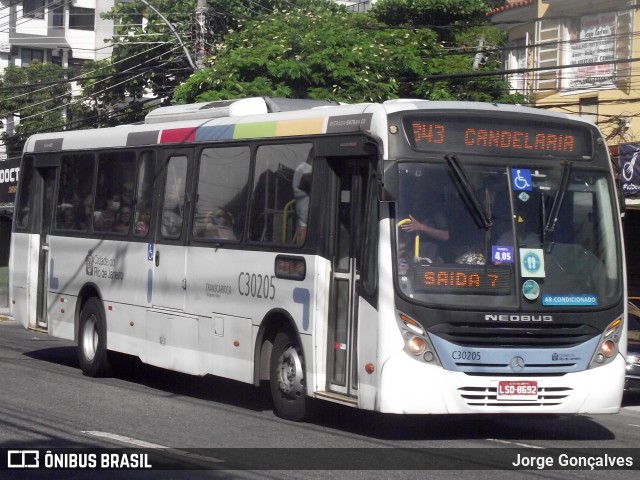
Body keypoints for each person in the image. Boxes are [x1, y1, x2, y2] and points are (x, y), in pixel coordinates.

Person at [292, 151, 313, 245]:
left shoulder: (307, 168)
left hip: (307, 220)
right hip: (304, 221)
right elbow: (308, 182)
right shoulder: (303, 168)